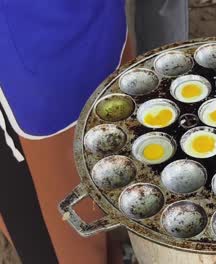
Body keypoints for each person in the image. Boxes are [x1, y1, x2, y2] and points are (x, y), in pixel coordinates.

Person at [0, 0, 188, 263]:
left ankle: (110, 250)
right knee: (63, 230)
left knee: (106, 167)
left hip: (94, 20)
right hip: (28, 52)